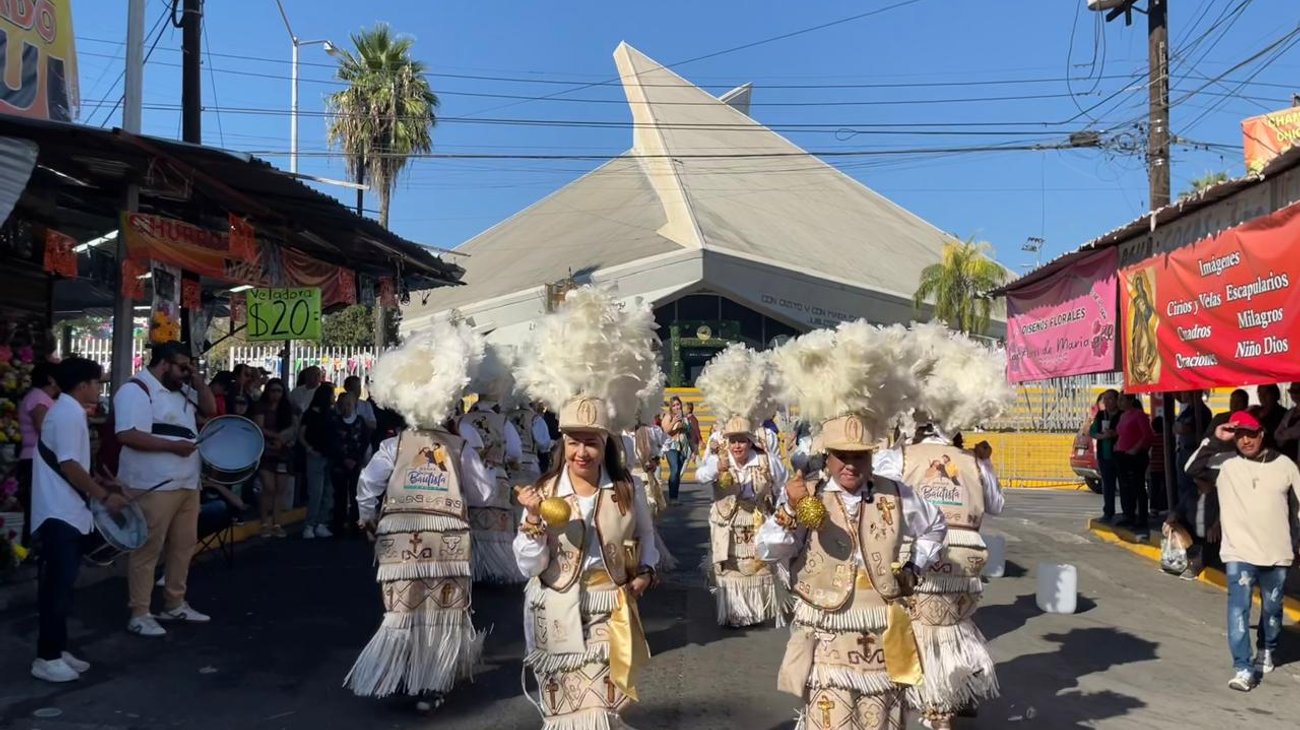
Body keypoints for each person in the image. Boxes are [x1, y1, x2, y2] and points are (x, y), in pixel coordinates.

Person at [760, 320, 948, 730]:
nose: (849, 464)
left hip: (881, 627)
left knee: (879, 721)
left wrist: (915, 567)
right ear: (826, 456)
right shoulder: (803, 491)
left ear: (870, 455)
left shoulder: (896, 493)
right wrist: (791, 513)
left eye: (859, 456)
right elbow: (769, 549)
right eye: (841, 455)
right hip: (826, 627)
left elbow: (935, 527)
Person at [511, 285, 662, 730]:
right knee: (565, 715)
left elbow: (647, 537)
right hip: (555, 611)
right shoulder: (543, 491)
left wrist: (647, 573)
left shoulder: (625, 489)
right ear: (564, 442)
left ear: (604, 445)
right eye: (574, 441)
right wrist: (534, 520)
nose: (582, 452)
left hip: (608, 611)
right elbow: (527, 566)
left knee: (602, 712)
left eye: (590, 443)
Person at [345, 322, 495, 705]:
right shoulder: (460, 448)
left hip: (398, 536)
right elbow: (484, 494)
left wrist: (366, 517)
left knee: (402, 608)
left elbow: (368, 483)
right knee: (442, 611)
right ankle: (431, 682)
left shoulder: (393, 445)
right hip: (448, 538)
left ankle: (399, 670)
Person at [1185, 410, 1300, 692]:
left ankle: (1267, 648)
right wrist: (1215, 438)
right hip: (1238, 552)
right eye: (1239, 435)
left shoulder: (1285, 465)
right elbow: (1191, 468)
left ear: (1262, 433)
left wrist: (1298, 543)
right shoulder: (1224, 463)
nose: (1245, 440)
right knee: (1239, 608)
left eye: (1250, 434)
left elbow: (1298, 509)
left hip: (1277, 551)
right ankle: (1242, 667)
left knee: (1272, 610)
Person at [30, 358, 128, 683]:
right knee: (57, 589)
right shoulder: (69, 413)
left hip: (66, 511)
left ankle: (57, 648)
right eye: (97, 382)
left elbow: (73, 464)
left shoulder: (67, 411)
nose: (99, 388)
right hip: (60, 513)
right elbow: (70, 466)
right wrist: (104, 495)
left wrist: (103, 483)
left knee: (63, 588)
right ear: (83, 385)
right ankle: (47, 656)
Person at [115, 341, 216, 638]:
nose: (186, 373)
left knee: (183, 546)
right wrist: (173, 447)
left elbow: (210, 410)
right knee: (148, 549)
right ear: (164, 363)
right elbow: (128, 434)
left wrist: (197, 379)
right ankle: (140, 611)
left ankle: (174, 602)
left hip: (186, 482)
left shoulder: (182, 390)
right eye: (182, 367)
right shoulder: (136, 390)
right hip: (152, 484)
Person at [694, 344, 788, 627]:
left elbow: (782, 484)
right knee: (732, 567)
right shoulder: (718, 459)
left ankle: (757, 610)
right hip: (728, 523)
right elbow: (700, 476)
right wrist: (715, 467)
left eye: (742, 440)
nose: (737, 445)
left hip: (757, 520)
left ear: (750, 440)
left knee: (758, 567)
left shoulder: (766, 460)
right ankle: (735, 612)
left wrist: (782, 511)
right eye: (733, 440)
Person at [459, 351, 526, 584]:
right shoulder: (502, 421)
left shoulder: (463, 420)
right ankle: (497, 570)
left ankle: (473, 566)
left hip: (467, 477)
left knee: (471, 525)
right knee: (496, 528)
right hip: (496, 477)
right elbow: (516, 452)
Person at [17, 361, 59, 546]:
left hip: (38, 457)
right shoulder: (38, 398)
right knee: (35, 503)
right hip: (34, 457)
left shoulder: (41, 397)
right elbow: (43, 427)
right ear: (51, 379)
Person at [253, 378, 297, 538]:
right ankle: (265, 523)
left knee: (280, 490)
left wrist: (283, 439)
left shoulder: (287, 408)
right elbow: (259, 427)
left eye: (279, 391)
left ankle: (277, 524)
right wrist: (276, 436)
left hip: (283, 452)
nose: (275, 394)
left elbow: (293, 428)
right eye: (273, 391)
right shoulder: (261, 407)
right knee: (268, 488)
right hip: (266, 451)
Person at [1114, 393, 1156, 539]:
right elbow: (1121, 434)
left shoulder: (1139, 415)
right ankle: (1128, 514)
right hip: (1122, 454)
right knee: (1125, 486)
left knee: (1137, 486)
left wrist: (1136, 448)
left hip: (1135, 456)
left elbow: (1147, 435)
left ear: (1130, 400)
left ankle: (1141, 517)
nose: (1119, 403)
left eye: (1122, 400)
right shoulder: (1123, 416)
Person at [300, 383, 337, 539]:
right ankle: (310, 524)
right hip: (315, 455)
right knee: (316, 492)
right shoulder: (310, 414)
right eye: (331, 394)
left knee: (328, 491)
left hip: (329, 456)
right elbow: (301, 434)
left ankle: (321, 522)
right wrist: (309, 448)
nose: (333, 398)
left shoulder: (332, 413)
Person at [331, 392, 370, 536]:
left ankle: (356, 526)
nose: (346, 408)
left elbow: (364, 442)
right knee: (339, 495)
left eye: (349, 404)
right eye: (343, 405)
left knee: (356, 494)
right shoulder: (335, 422)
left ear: (354, 405)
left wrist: (356, 459)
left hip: (356, 463)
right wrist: (344, 459)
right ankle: (339, 526)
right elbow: (333, 442)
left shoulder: (360, 421)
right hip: (340, 464)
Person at [1173, 391, 1213, 514]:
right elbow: (1176, 428)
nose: (1182, 394)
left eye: (1184, 392)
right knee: (1182, 485)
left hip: (1194, 451)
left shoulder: (1202, 411)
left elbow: (1185, 428)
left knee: (1193, 486)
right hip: (1183, 450)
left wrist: (1181, 428)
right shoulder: (1186, 411)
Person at [1089, 390, 1122, 524]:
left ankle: (1128, 512)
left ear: (1116, 400)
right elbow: (1093, 431)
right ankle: (1108, 512)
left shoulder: (1122, 415)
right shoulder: (1101, 415)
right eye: (1105, 400)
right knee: (1107, 486)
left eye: (1110, 399)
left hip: (1120, 455)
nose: (1107, 402)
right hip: (1104, 455)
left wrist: (1115, 434)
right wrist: (1103, 436)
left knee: (1124, 486)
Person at [507, 397, 552, 488]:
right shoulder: (535, 418)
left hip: (510, 463)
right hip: (530, 463)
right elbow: (543, 444)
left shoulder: (508, 416)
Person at [662, 397, 691, 503]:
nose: (676, 407)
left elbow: (689, 432)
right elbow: (665, 431)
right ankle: (672, 497)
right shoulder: (668, 416)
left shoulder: (685, 417)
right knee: (674, 469)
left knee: (677, 471)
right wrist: (674, 422)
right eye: (674, 405)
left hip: (682, 446)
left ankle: (675, 496)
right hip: (671, 446)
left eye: (678, 404)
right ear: (671, 407)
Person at [1273, 383, 1300, 462]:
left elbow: (1296, 432)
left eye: (1298, 391)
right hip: (1288, 458)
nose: (1294, 394)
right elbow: (1276, 435)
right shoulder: (1290, 412)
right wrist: (1289, 434)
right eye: (1292, 391)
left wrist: (1285, 433)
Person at [1256, 384, 1285, 451]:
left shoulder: (1284, 415)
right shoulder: (1255, 411)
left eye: (1266, 393)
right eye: (1259, 393)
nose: (1262, 397)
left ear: (1275, 394)